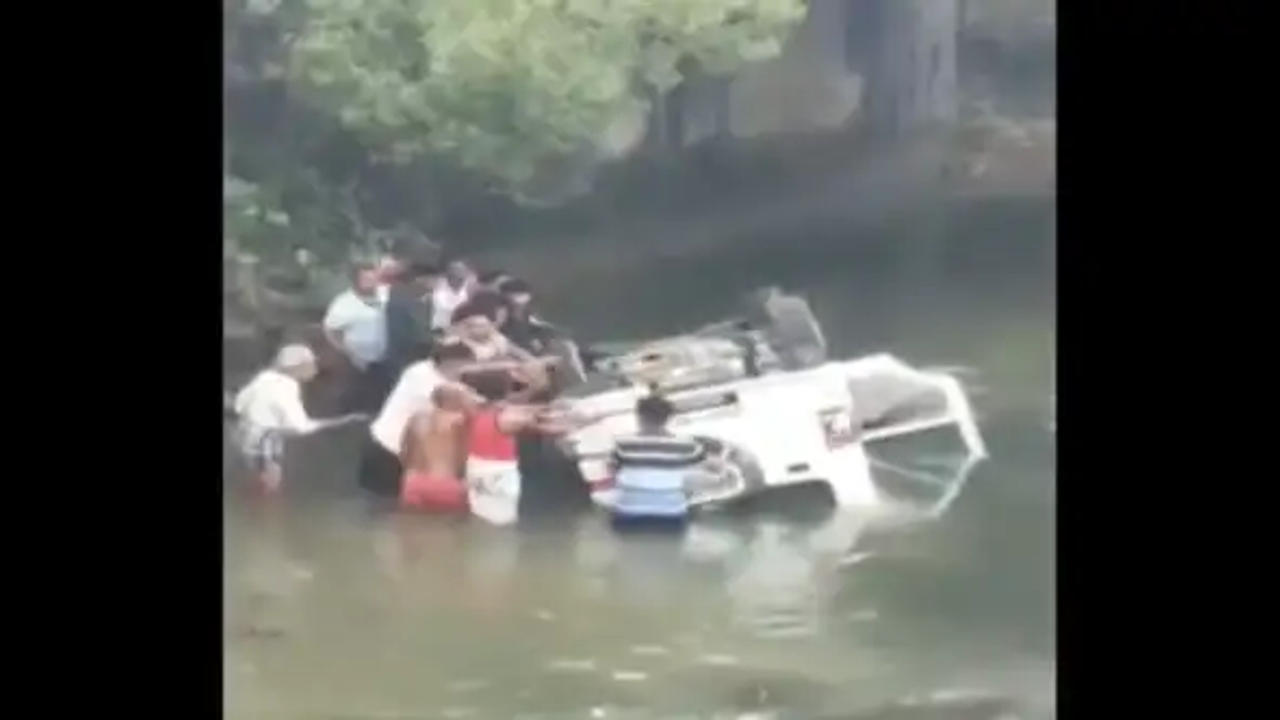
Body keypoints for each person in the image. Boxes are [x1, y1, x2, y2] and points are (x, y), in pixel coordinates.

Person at [233, 344, 367, 493]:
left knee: (254, 484)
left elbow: (239, 405)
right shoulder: (287, 387)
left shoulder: (263, 378)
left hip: (247, 437)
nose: (315, 370)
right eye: (311, 365)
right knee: (270, 489)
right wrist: (344, 421)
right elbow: (300, 427)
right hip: (267, 441)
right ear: (296, 367)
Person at [361, 342, 481, 501]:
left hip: (388, 444)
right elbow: (466, 401)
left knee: (381, 504)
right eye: (467, 366)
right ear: (452, 364)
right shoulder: (428, 381)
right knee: (385, 503)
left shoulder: (420, 368)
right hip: (389, 451)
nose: (469, 371)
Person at [608, 390, 706, 530]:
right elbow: (705, 469)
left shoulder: (623, 443)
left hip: (629, 513)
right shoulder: (688, 445)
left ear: (639, 417)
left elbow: (612, 471)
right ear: (668, 418)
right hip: (671, 514)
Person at [323, 261, 392, 413]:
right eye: (365, 279)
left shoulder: (388, 295)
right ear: (355, 281)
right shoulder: (343, 303)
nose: (370, 283)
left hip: (388, 359)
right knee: (356, 400)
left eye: (373, 278)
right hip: (357, 362)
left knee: (385, 400)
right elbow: (331, 330)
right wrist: (347, 352)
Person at [383, 262, 440, 379]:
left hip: (408, 352)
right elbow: (418, 331)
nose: (436, 284)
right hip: (406, 354)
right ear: (422, 280)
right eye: (435, 280)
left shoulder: (419, 296)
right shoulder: (409, 298)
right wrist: (439, 340)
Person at [497, 278, 557, 356]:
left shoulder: (532, 314)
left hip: (536, 353)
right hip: (512, 354)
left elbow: (544, 331)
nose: (517, 299)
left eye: (520, 295)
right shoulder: (500, 314)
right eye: (515, 295)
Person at [430, 259, 474, 331]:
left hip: (464, 329)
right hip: (440, 329)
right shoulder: (438, 285)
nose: (460, 274)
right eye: (456, 272)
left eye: (463, 272)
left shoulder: (471, 287)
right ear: (449, 274)